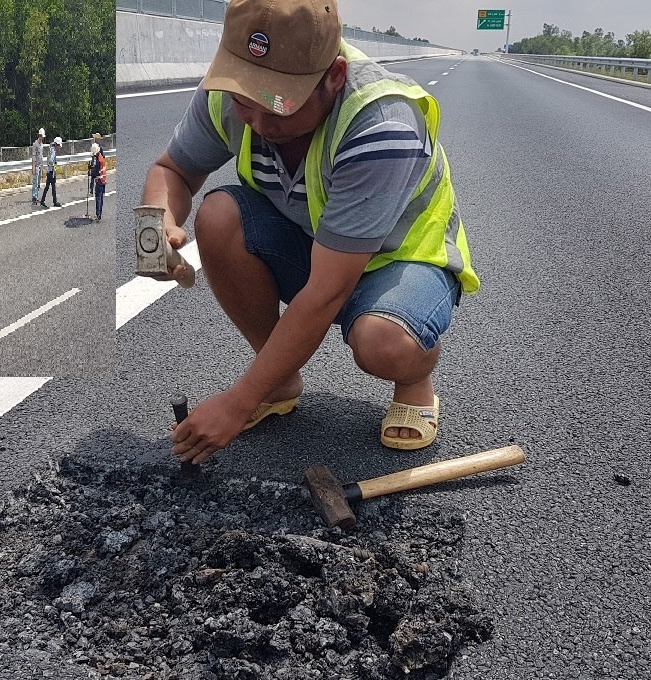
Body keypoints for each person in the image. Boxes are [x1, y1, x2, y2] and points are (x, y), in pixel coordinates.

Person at [143, 0, 480, 464]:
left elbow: (325, 293)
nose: (258, 123)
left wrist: (236, 405)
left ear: (335, 77)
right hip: (318, 244)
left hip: (400, 258)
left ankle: (415, 377)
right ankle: (277, 381)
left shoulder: (382, 125)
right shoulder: (228, 90)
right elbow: (172, 170)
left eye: (279, 107)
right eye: (246, 102)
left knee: (382, 342)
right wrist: (154, 231)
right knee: (218, 217)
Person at [39, 136, 62, 208]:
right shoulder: (53, 151)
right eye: (59, 146)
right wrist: (54, 164)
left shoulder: (51, 149)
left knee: (47, 187)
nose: (59, 148)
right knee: (53, 188)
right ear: (57, 145)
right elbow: (51, 161)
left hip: (49, 171)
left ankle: (42, 201)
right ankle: (55, 202)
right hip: (51, 172)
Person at [31, 128, 46, 205]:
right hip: (36, 166)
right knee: (35, 183)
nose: (42, 138)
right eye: (41, 136)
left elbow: (41, 156)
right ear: (39, 136)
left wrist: (42, 166)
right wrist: (33, 167)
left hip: (40, 165)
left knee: (39, 183)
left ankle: (36, 197)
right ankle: (34, 198)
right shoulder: (35, 144)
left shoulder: (41, 144)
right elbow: (33, 156)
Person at [91, 143, 106, 221]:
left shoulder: (97, 160)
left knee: (98, 198)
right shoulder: (101, 157)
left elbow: (95, 172)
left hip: (99, 181)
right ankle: (100, 214)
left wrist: (91, 172)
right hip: (103, 180)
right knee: (101, 198)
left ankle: (98, 215)